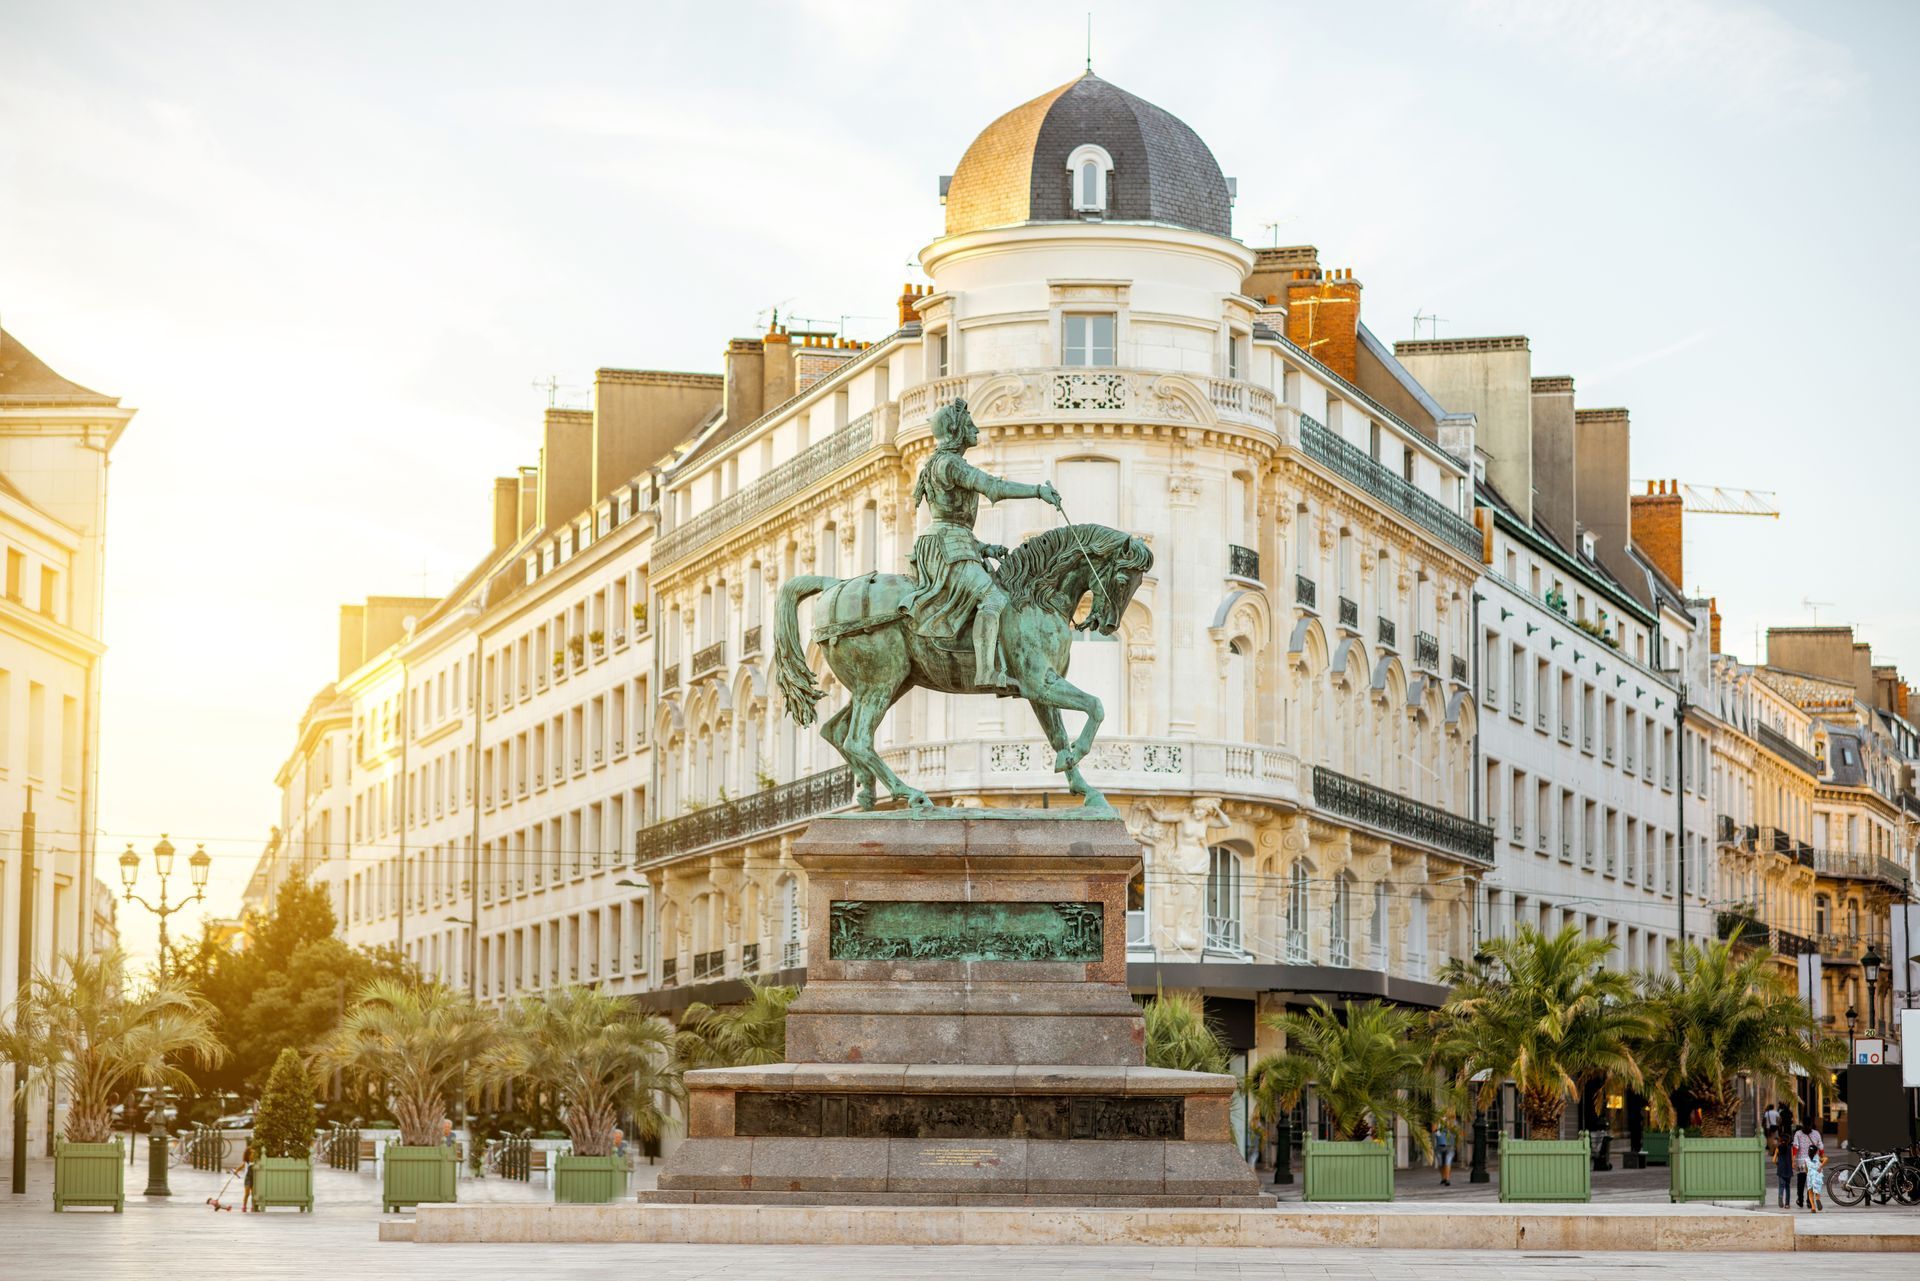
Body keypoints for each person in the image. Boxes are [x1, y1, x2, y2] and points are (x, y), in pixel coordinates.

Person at [901, 399, 1062, 690]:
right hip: (946, 546)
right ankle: (986, 671)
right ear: (956, 430)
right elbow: (994, 488)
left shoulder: (941, 463)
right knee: (995, 599)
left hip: (954, 542)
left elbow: (951, 517)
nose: (975, 429)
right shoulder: (950, 464)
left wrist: (983, 547)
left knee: (993, 596)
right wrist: (1038, 491)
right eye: (969, 424)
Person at [1772, 1125, 1793, 1208]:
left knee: (1781, 1186)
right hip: (1788, 1169)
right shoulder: (1790, 1148)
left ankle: (1780, 1198)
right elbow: (1792, 1159)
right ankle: (1787, 1204)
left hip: (1781, 1169)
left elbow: (1773, 1160)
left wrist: (1778, 1164)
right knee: (1787, 1187)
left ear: (1781, 1140)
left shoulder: (1778, 1148)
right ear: (1788, 1141)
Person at [1433, 1116, 1457, 1186]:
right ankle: (1443, 1178)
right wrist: (1439, 1122)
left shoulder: (1453, 1122)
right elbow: (1433, 1129)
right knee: (1440, 1164)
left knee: (1447, 1162)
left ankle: (1447, 1179)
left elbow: (1454, 1130)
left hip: (1450, 1146)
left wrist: (1447, 1123)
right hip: (1439, 1146)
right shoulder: (1437, 1122)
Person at [236, 1141, 256, 1213]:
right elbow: (241, 1166)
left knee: (254, 1193)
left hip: (254, 1179)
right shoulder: (247, 1162)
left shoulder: (255, 1162)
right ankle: (244, 1206)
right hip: (247, 1179)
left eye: (254, 1153)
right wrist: (236, 1170)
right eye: (251, 1153)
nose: (253, 1155)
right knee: (247, 1193)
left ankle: (253, 1206)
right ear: (248, 1155)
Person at [1804, 1147, 1825, 1213]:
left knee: (1810, 1193)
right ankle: (1818, 1199)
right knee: (1817, 1191)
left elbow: (1806, 1169)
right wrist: (1821, 1166)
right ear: (1816, 1152)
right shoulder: (1818, 1158)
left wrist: (1808, 1172)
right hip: (1817, 1176)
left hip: (1810, 1177)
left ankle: (1813, 1207)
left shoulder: (1806, 1159)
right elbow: (1826, 1159)